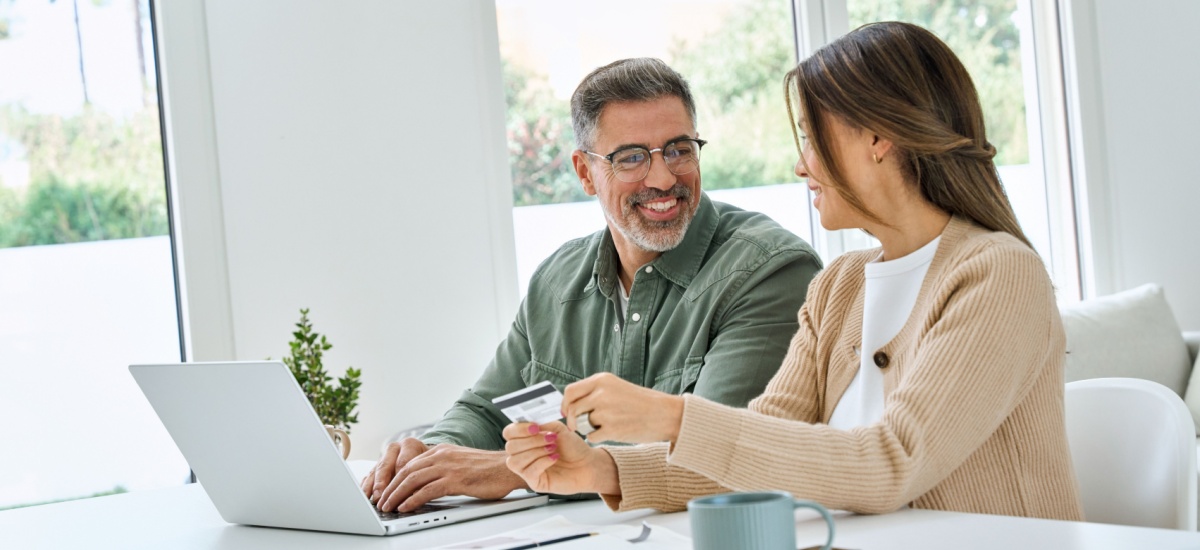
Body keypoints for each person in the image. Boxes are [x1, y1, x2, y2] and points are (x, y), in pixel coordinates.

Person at [503, 22, 1084, 521]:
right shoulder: (840, 286)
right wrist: (601, 468)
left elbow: (891, 463)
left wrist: (670, 416)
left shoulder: (999, 274)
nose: (801, 163)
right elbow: (758, 453)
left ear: (879, 138)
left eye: (811, 135)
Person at [361, 58, 823, 513]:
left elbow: (721, 453)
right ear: (585, 173)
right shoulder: (556, 280)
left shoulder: (769, 271)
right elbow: (485, 411)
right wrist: (429, 457)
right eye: (631, 158)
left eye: (680, 149)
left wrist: (510, 469)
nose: (663, 178)